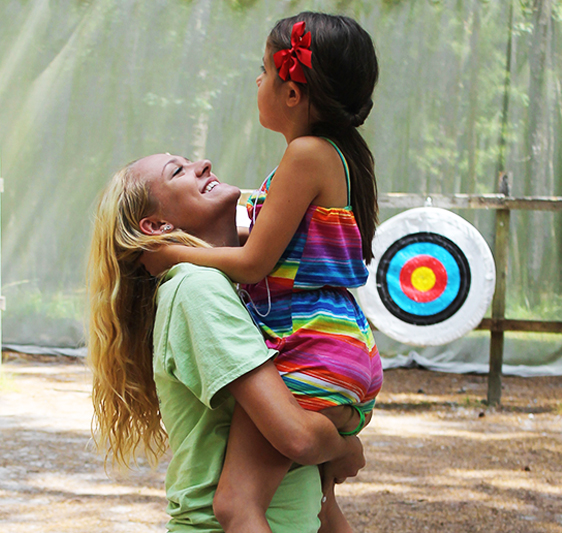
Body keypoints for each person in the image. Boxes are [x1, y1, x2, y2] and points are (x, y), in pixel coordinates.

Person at [143, 12, 383, 533]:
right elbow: (263, 235)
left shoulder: (305, 155)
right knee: (321, 505)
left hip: (309, 347)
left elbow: (254, 263)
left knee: (236, 506)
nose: (256, 81)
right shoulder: (330, 158)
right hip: (342, 350)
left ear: (292, 92)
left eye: (263, 69)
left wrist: (173, 254)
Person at [86, 154, 366, 533]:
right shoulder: (197, 288)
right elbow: (296, 436)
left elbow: (312, 495)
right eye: (178, 171)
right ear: (156, 225)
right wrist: (345, 448)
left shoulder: (240, 291)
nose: (202, 163)